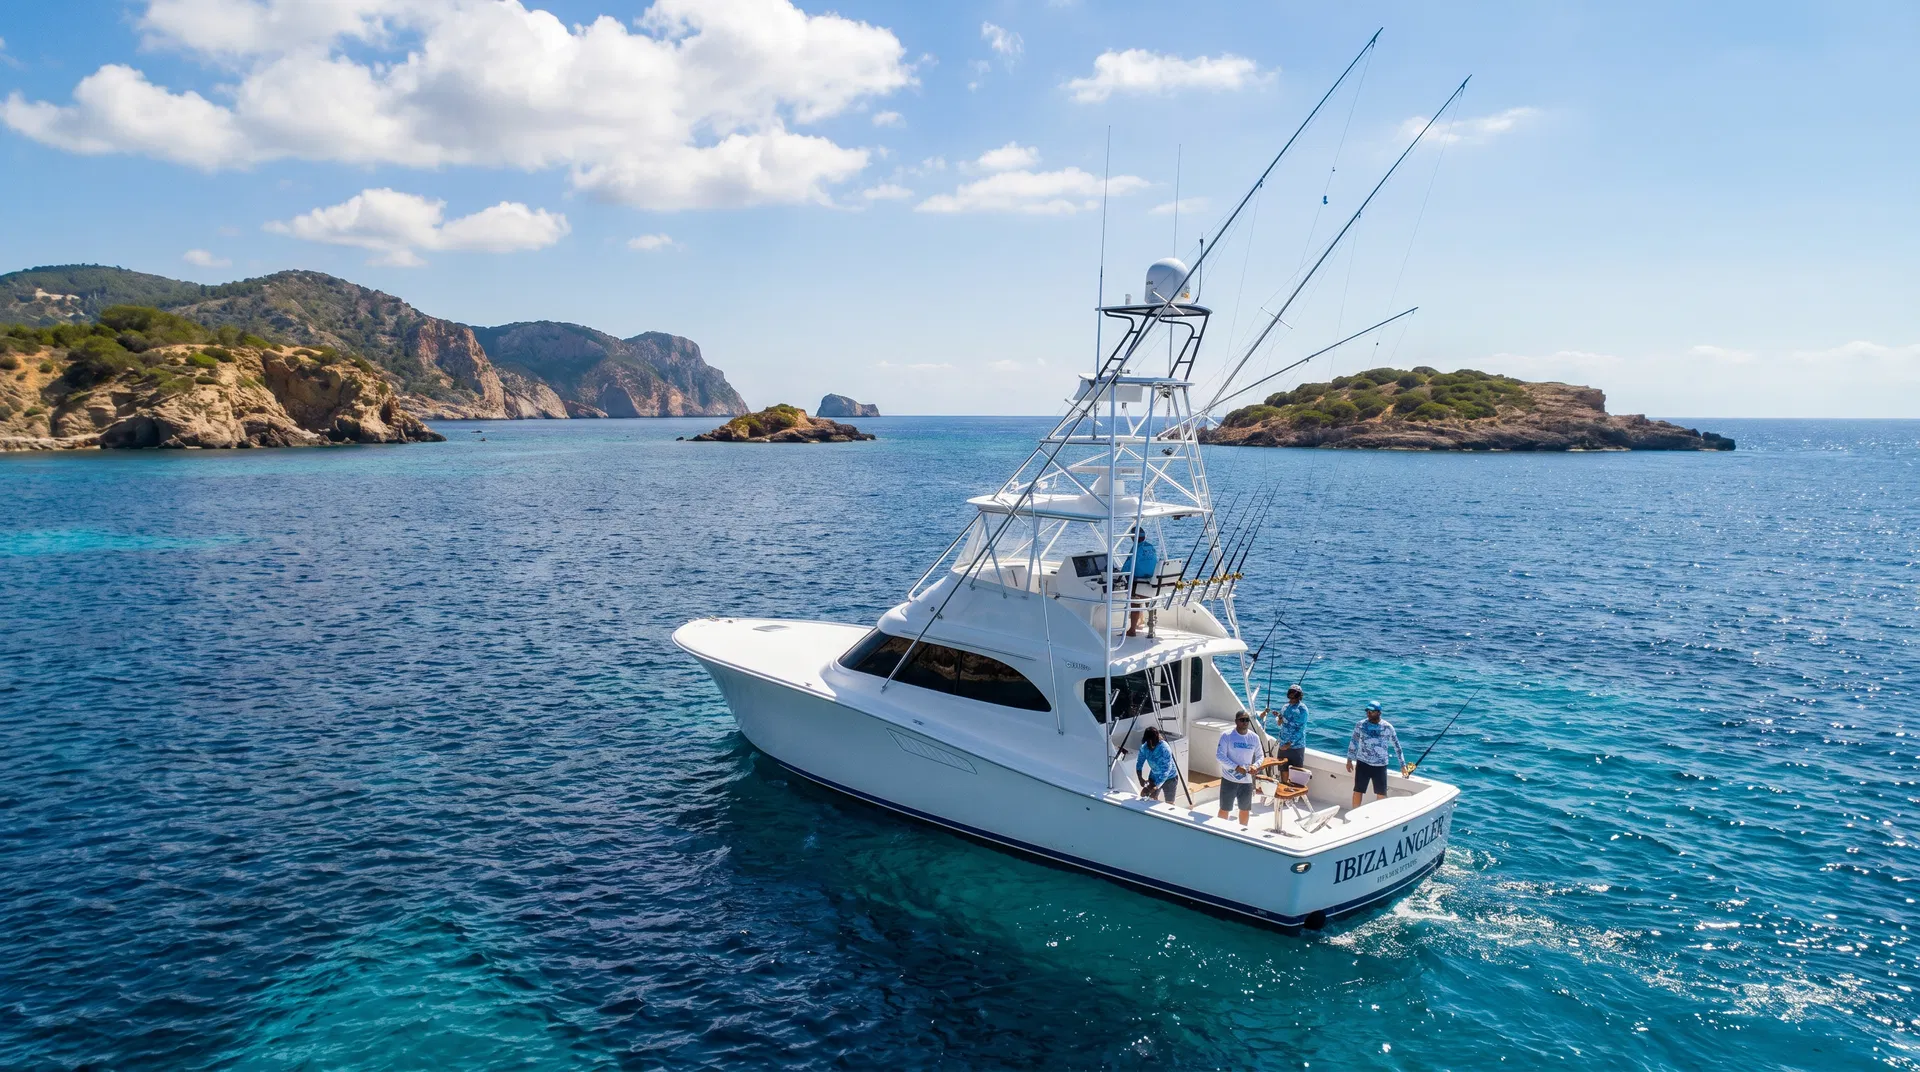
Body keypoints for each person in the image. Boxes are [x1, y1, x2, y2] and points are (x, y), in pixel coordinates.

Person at [1345, 700, 1407, 809]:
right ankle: (1353, 812)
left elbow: (1397, 746)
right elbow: (1353, 742)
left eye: (1371, 711)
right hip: (1362, 763)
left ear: (1378, 712)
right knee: (1358, 790)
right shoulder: (1360, 725)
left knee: (1381, 793)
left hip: (1380, 766)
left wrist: (1402, 765)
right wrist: (1349, 760)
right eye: (1367, 711)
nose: (1368, 713)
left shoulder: (1388, 727)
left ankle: (1378, 815)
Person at [1215, 712, 1262, 826]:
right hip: (1229, 780)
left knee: (1245, 809)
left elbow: (1260, 756)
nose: (1245, 722)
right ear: (1236, 721)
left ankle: (1242, 832)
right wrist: (1236, 767)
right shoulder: (1227, 735)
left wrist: (1255, 766)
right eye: (1242, 720)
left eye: (1247, 720)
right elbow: (1219, 756)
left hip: (1246, 782)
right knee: (1225, 808)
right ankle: (1220, 830)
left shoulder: (1254, 737)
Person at [1120, 525, 1159, 637]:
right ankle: (1147, 624)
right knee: (1148, 600)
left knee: (1134, 602)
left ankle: (1132, 630)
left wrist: (1119, 575)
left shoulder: (1136, 548)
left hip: (1139, 583)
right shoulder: (1151, 547)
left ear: (1133, 538)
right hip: (1152, 582)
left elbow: (1127, 565)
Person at [1259, 684, 1309, 768]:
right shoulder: (1285, 707)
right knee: (1283, 769)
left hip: (1296, 746)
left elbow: (1300, 729)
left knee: (1296, 771)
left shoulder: (1302, 709)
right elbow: (1280, 723)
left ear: (1299, 696)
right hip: (1283, 744)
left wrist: (1289, 743)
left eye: (1294, 697)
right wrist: (1279, 717)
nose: (1291, 699)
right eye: (1290, 697)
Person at [1134, 726, 1179, 803]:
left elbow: (1166, 770)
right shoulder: (1144, 748)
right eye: (1148, 741)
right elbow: (1139, 764)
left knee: (1169, 803)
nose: (1149, 744)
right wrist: (1140, 778)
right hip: (1154, 777)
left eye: (1151, 741)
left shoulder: (1164, 748)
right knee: (1148, 799)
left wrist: (1156, 786)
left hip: (1170, 778)